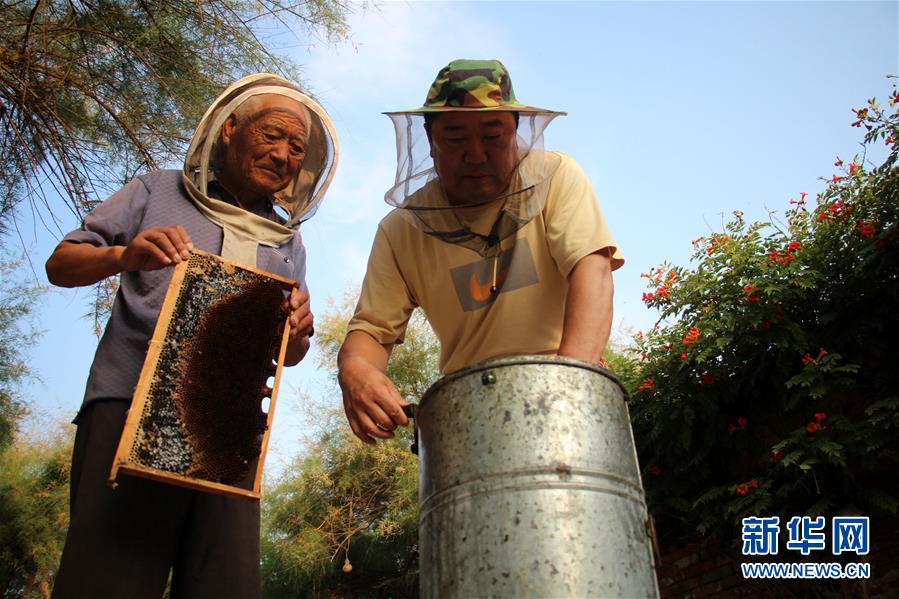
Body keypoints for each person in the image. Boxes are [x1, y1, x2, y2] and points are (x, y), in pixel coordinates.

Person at [45, 73, 339, 598]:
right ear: (229, 129)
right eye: (272, 134)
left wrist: (298, 331)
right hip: (128, 407)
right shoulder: (156, 189)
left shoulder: (287, 242)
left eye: (296, 147)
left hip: (230, 432)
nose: (283, 154)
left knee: (224, 583)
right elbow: (61, 263)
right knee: (108, 579)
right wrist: (124, 254)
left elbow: (290, 355)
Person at [338, 59, 624, 445]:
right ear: (429, 141)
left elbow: (593, 270)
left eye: (492, 135)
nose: (475, 155)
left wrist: (566, 390)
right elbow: (372, 331)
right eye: (455, 138)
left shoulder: (556, 177)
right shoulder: (400, 230)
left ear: (516, 133)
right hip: (470, 423)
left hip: (572, 401)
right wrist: (354, 369)